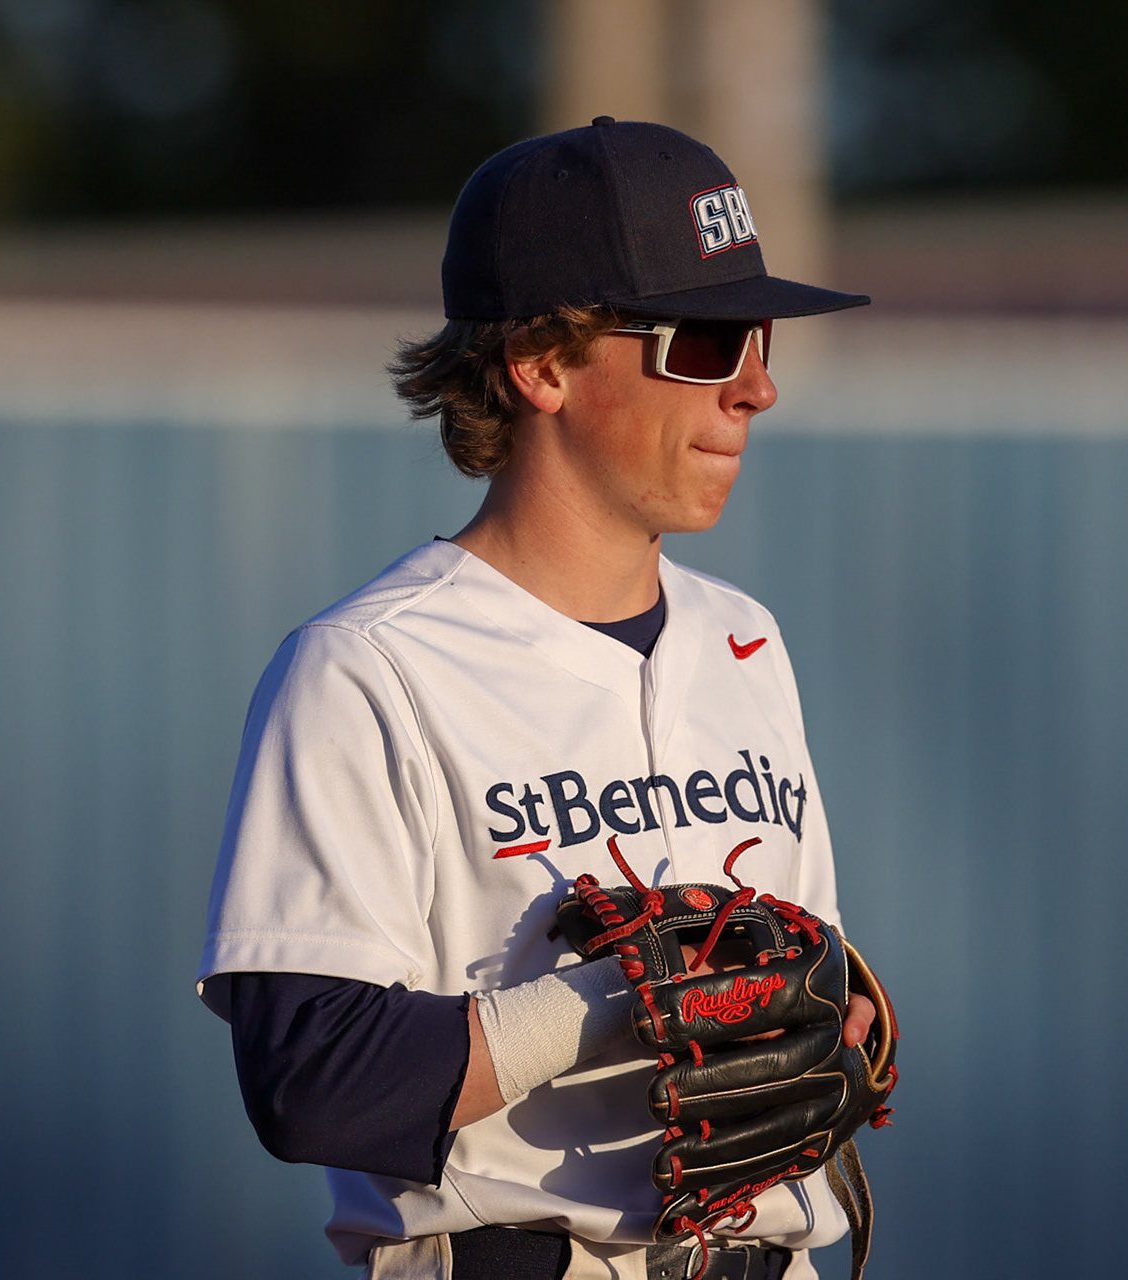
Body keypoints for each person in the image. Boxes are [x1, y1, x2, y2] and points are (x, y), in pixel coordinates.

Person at [197, 116, 874, 1280]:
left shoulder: (746, 638)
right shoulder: (372, 666)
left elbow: (799, 1000)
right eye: (706, 342)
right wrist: (608, 1001)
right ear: (544, 362)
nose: (756, 387)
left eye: (759, 339)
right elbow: (311, 1079)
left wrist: (833, 1013)